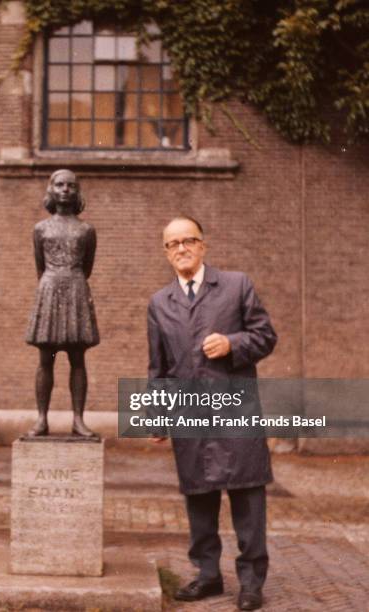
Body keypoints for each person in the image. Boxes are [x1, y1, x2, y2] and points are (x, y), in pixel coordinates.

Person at [147, 215, 277, 611]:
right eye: (173, 244)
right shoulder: (159, 303)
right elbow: (159, 368)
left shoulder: (236, 285)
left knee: (247, 500)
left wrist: (233, 343)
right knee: (199, 499)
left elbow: (266, 336)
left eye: (189, 240)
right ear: (166, 253)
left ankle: (251, 583)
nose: (182, 248)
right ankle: (207, 576)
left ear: (203, 246)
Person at [25, 169, 99, 438]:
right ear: (51, 190)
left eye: (70, 185)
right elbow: (39, 265)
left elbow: (87, 266)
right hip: (49, 289)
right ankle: (41, 419)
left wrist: (70, 280)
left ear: (77, 191)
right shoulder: (41, 229)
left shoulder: (86, 230)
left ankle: (78, 419)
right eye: (59, 185)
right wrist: (53, 285)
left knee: (77, 358)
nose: (65, 189)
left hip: (77, 288)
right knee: (46, 358)